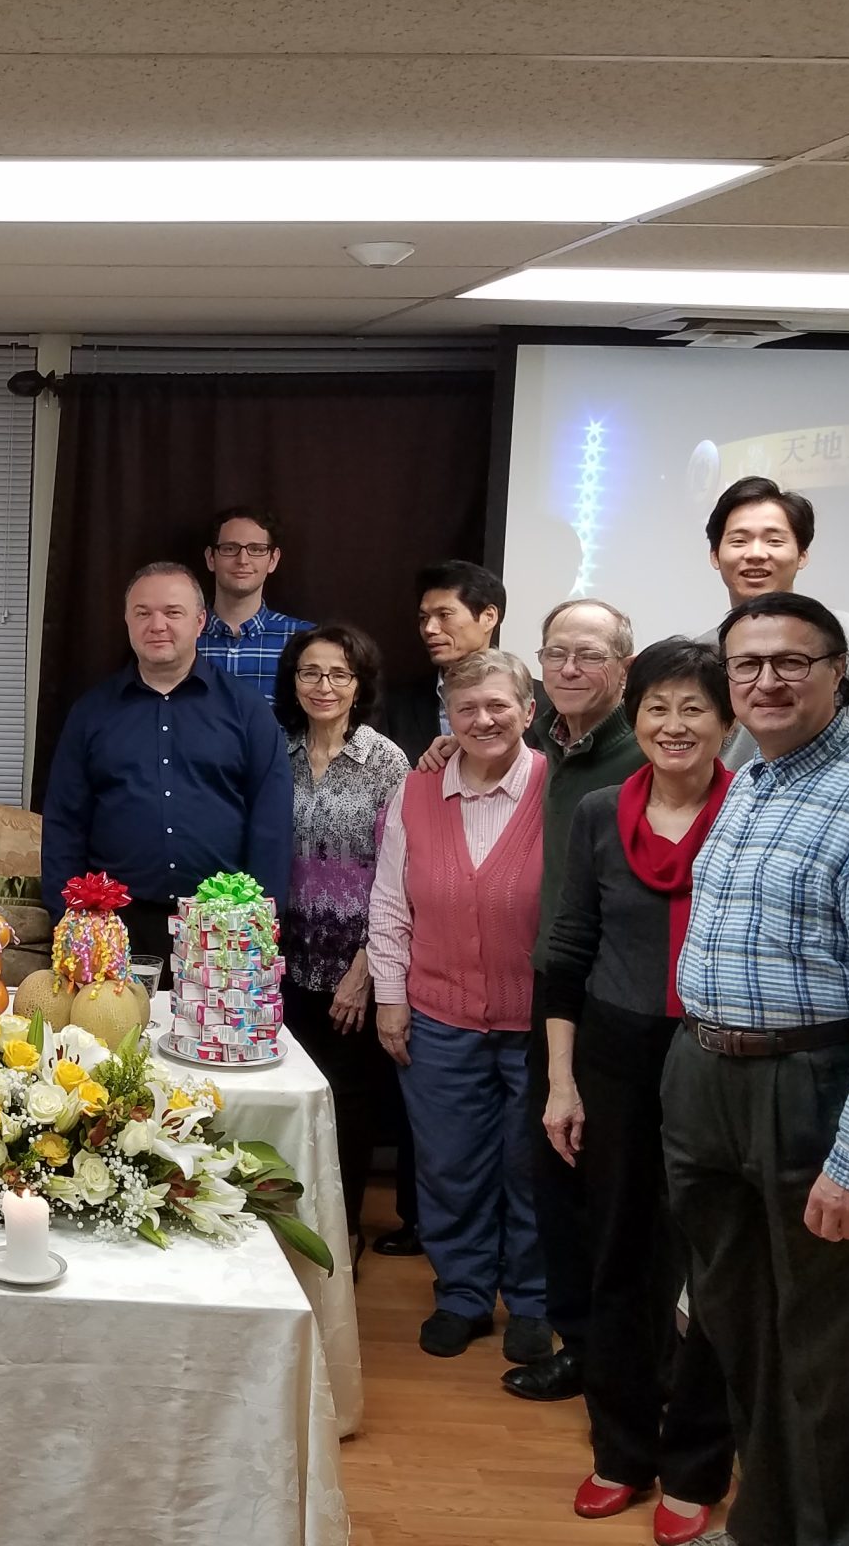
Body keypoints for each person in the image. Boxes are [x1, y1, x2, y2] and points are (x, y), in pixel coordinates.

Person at [660, 593, 849, 1546]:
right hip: (708, 1079)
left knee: (833, 1358)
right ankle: (772, 1524)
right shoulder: (750, 782)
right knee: (740, 1331)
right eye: (747, 665)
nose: (767, 681)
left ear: (840, 676)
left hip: (812, 1091)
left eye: (793, 662)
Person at [542, 637, 736, 1544]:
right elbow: (567, 951)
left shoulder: (752, 812)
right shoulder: (597, 812)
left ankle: (697, 1463)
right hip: (615, 1055)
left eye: (694, 707)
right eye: (657, 706)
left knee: (714, 1266)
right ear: (636, 714)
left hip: (720, 1057)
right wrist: (561, 1082)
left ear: (727, 721)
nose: (673, 724)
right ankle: (620, 1450)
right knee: (618, 1254)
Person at [368, 649, 551, 1365]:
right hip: (438, 1016)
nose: (483, 720)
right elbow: (390, 904)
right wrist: (390, 998)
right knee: (450, 1166)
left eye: (499, 705)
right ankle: (464, 1295)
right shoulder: (416, 791)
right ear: (447, 717)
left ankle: (533, 1301)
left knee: (533, 1168)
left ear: (528, 712)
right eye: (466, 708)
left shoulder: (559, 788)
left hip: (539, 1026)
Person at [508, 597, 644, 1401]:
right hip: (555, 992)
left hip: (622, 1002)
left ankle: (621, 1363)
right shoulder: (550, 748)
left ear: (625, 667)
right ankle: (582, 1349)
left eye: (589, 654)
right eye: (555, 653)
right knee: (556, 1180)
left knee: (611, 1192)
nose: (568, 668)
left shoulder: (645, 753)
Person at [40, 562, 293, 961]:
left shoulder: (247, 711)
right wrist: (67, 919)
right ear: (127, 620)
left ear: (200, 621)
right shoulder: (91, 713)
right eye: (143, 613)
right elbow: (64, 824)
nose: (157, 625)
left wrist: (258, 924)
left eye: (173, 612)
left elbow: (271, 827)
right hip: (112, 928)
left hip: (222, 930)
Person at [272, 623, 410, 1258]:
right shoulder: (276, 753)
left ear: (359, 685)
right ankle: (282, 1225)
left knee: (347, 1103)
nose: (323, 685)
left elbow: (397, 874)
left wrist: (366, 967)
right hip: (280, 961)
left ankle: (343, 1229)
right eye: (310, 672)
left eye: (339, 674)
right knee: (284, 1093)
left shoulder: (387, 763)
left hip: (354, 963)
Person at [703, 476, 849, 763]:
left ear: (802, 555)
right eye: (739, 541)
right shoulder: (701, 653)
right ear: (715, 555)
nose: (756, 553)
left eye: (774, 540)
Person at [380, 559, 550, 764]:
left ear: (489, 617)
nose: (430, 629)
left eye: (444, 615)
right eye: (424, 618)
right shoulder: (396, 706)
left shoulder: (545, 703)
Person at [195, 504, 316, 705]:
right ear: (211, 558)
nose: (242, 560)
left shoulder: (305, 640)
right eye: (230, 548)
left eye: (256, 550)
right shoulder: (180, 636)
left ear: (273, 560)